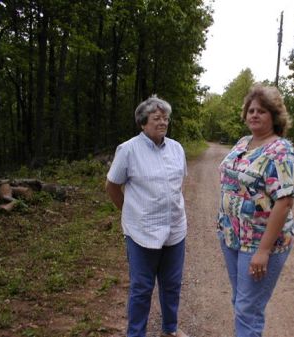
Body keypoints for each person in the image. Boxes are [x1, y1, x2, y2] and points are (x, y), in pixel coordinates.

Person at [216, 84, 294, 337]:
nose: (254, 114)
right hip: (231, 235)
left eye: (261, 111)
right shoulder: (243, 142)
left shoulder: (281, 150)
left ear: (274, 116)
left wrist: (263, 251)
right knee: (241, 302)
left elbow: (284, 202)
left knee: (248, 308)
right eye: (251, 110)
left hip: (259, 242)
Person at [106, 96, 189, 337]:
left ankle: (170, 329)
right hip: (141, 232)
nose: (163, 122)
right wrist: (129, 211)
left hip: (175, 229)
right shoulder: (128, 150)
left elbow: (178, 183)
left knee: (172, 284)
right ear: (143, 123)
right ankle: (135, 334)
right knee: (141, 288)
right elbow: (112, 186)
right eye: (156, 118)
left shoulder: (177, 148)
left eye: (165, 118)